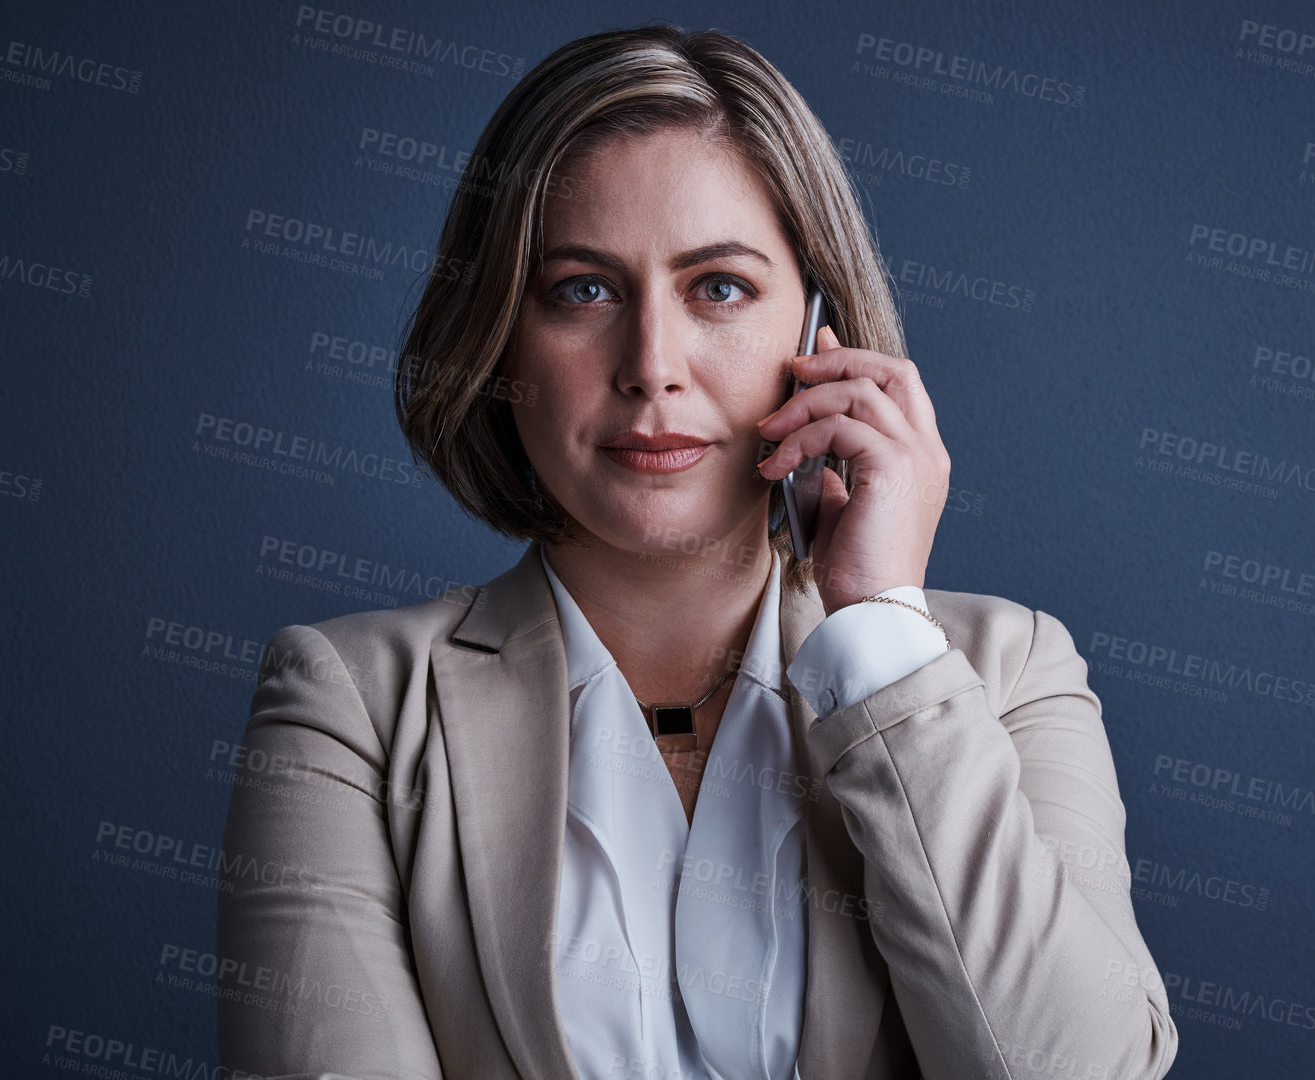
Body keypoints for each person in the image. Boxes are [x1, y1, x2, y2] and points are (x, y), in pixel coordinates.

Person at [216, 23, 1177, 1080]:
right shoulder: (349, 704)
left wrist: (881, 639)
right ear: (496, 336)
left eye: (718, 286)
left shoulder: (1009, 670)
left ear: (819, 335)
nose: (651, 367)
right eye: (582, 289)